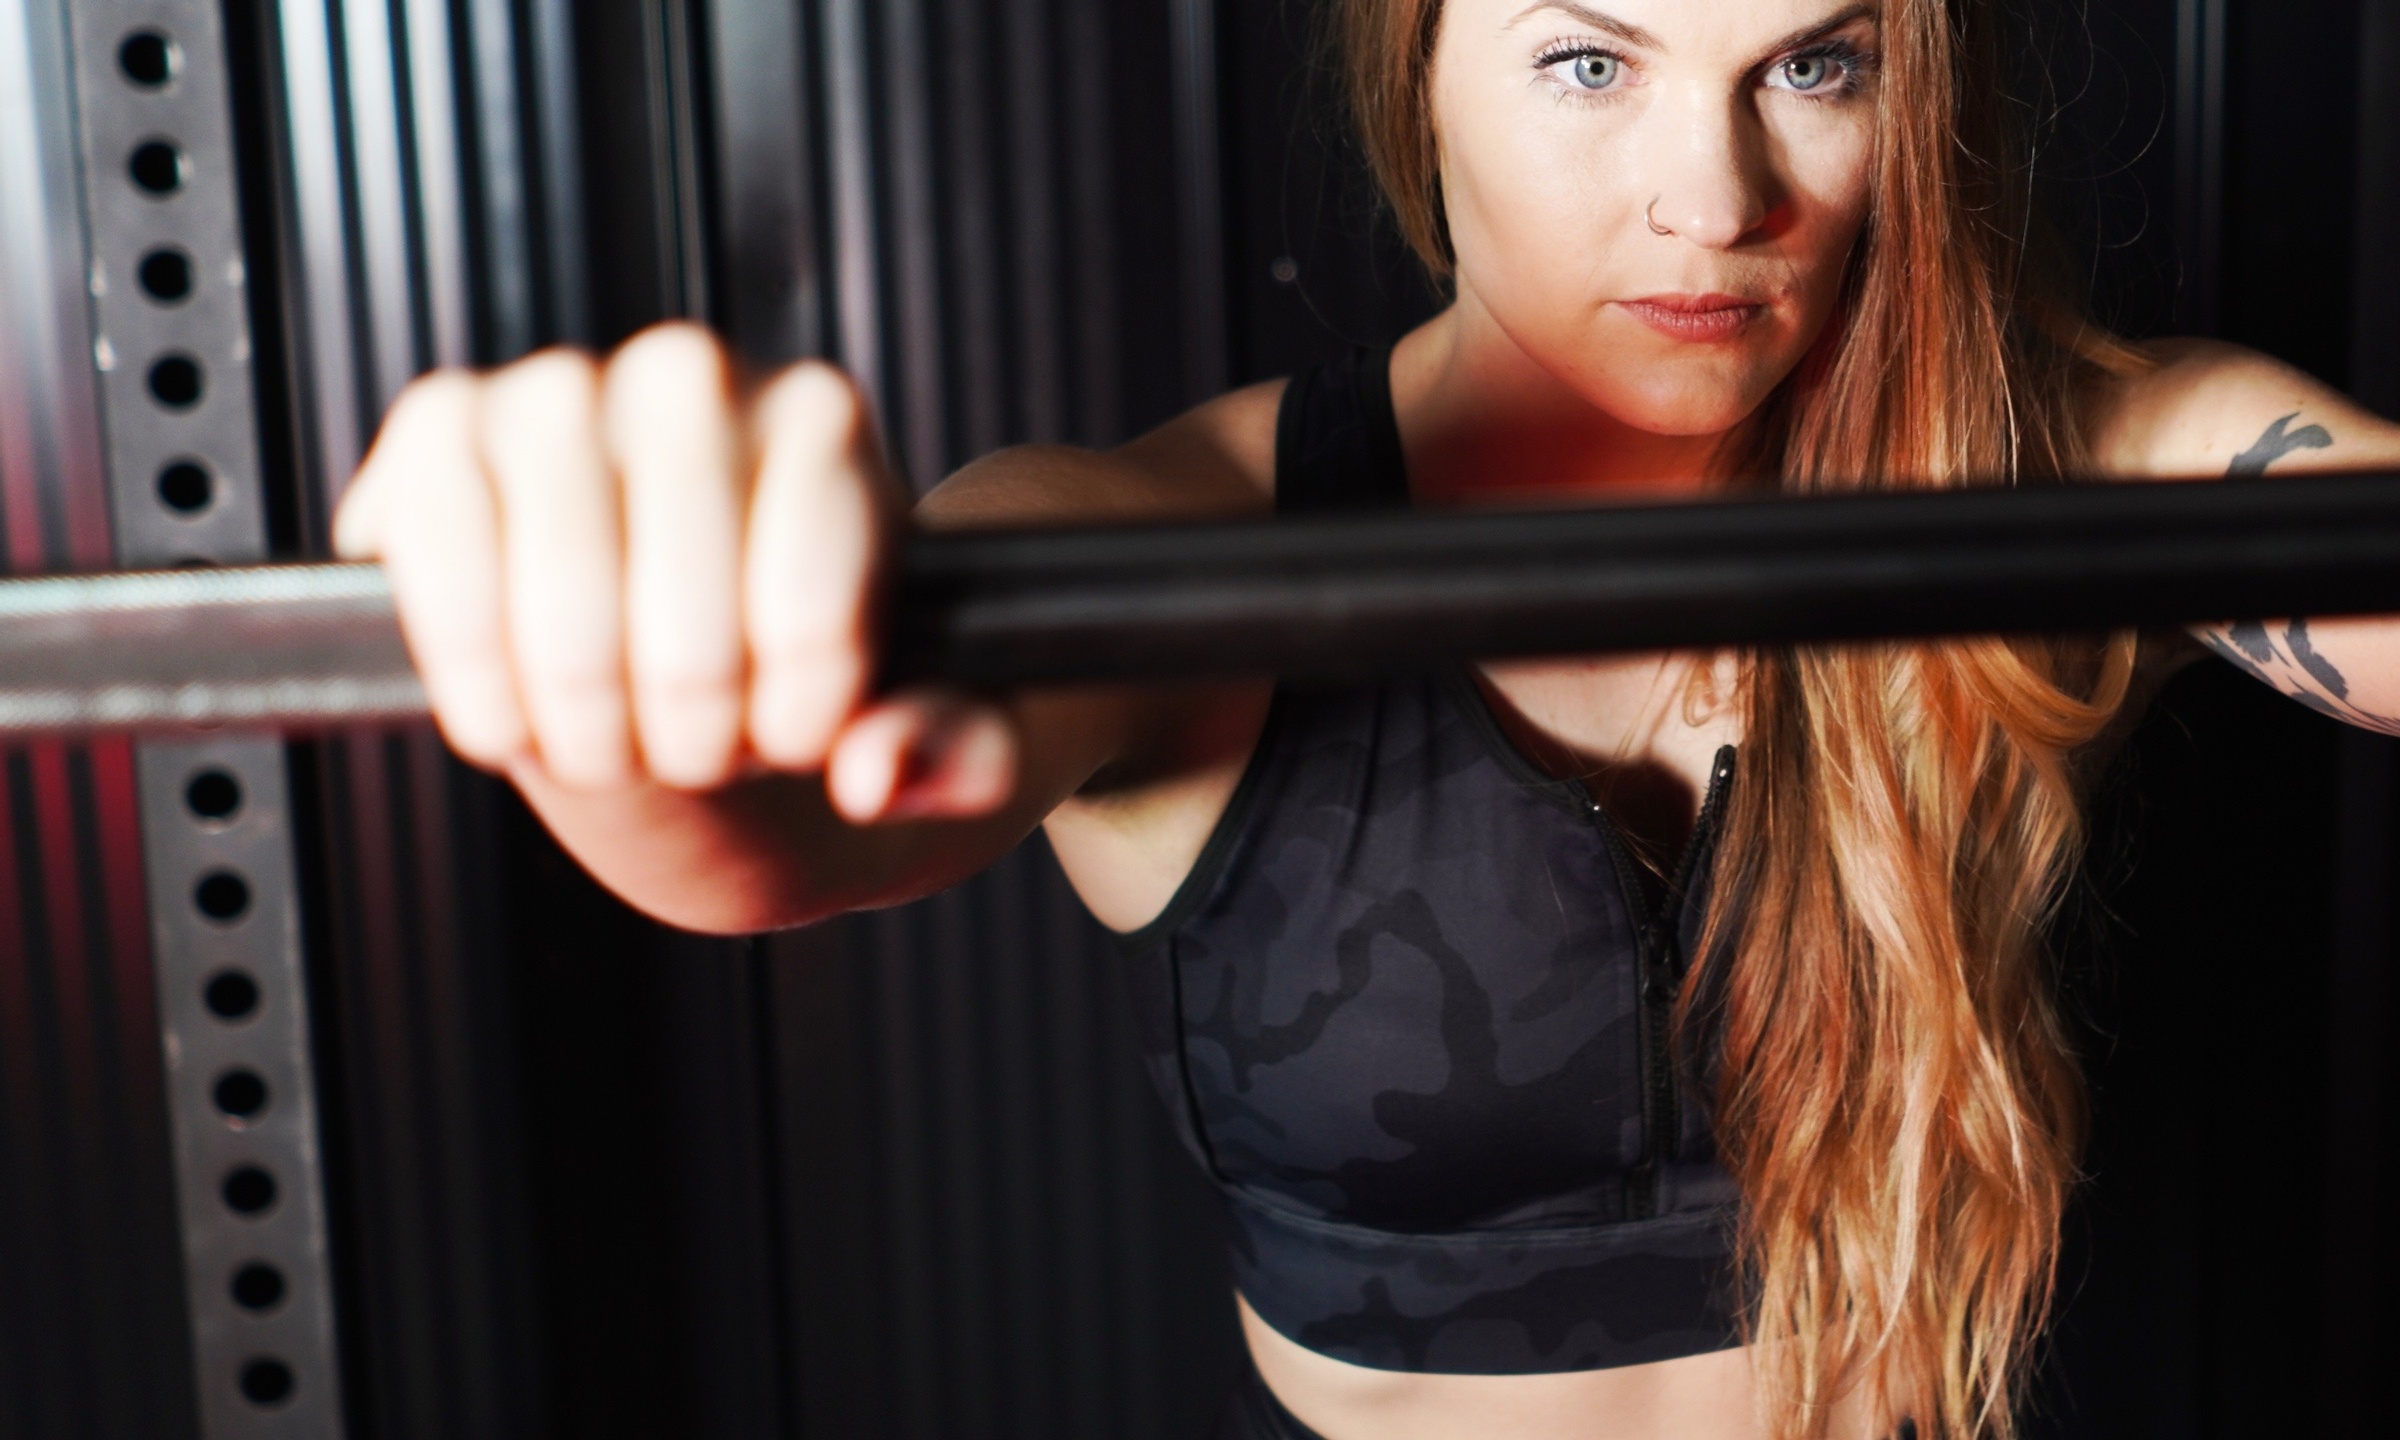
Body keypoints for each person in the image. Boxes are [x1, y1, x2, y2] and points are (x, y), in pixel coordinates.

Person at [331, 0, 2400, 1435]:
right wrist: (636, 664)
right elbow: (792, 820)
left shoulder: (2037, 475)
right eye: (1589, 60)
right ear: (1423, 72)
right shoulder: (1184, 542)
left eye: (1814, 65)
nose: (1716, 196)